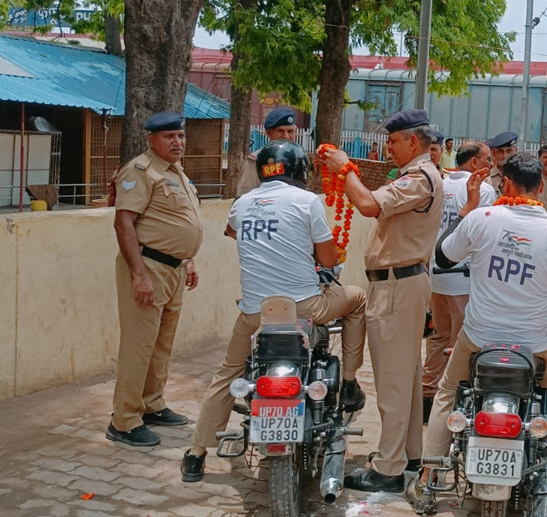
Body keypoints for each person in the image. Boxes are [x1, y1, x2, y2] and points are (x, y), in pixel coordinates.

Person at [407, 153, 547, 517]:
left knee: (447, 392)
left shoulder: (481, 219)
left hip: (479, 338)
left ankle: (427, 479)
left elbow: (442, 258)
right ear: (542, 187)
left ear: (505, 184)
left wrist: (469, 208)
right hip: (536, 344)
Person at [181, 141, 368, 481]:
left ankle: (196, 453)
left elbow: (232, 231)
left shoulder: (242, 203)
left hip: (256, 313)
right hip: (305, 308)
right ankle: (352, 382)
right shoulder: (307, 201)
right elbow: (328, 260)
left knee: (228, 372)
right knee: (357, 299)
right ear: (298, 171)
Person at [319, 109, 443, 493]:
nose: (387, 148)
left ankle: (388, 467)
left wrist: (344, 169)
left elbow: (369, 205)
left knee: (391, 378)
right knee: (404, 376)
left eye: (392, 141)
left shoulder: (419, 177)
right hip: (399, 283)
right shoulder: (418, 175)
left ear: (413, 141)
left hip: (397, 285)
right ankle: (408, 454)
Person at [108, 112, 203, 447]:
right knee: (139, 344)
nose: (177, 142)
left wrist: (187, 259)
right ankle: (124, 420)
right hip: (149, 268)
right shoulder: (140, 171)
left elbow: (174, 221)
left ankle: (152, 404)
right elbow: (124, 224)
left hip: (174, 269)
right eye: (169, 137)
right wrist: (138, 274)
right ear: (151, 139)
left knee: (162, 343)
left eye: (180, 136)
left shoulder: (175, 171)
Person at [422, 142, 496, 419]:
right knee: (461, 341)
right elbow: (484, 234)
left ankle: (428, 393)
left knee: (438, 336)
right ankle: (451, 399)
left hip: (436, 272)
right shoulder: (484, 191)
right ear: (475, 162)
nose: (491, 165)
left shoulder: (439, 185)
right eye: (488, 159)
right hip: (462, 274)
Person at [235, 107, 299, 198]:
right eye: (280, 131)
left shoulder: (298, 158)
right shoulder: (256, 160)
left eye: (290, 131)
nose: (286, 136)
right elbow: (245, 197)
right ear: (268, 133)